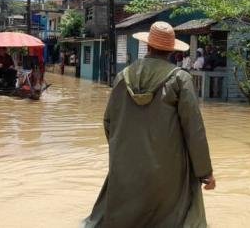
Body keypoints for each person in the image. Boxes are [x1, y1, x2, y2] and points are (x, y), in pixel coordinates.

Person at [84, 21, 215, 228]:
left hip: (127, 166)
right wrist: (205, 172)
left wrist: (123, 153)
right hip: (168, 170)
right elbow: (194, 130)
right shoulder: (180, 79)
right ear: (171, 51)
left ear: (147, 46)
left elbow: (109, 122)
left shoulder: (122, 77)